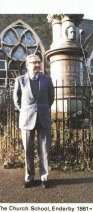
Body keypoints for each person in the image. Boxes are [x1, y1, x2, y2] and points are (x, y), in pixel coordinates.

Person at [13, 54, 54, 189]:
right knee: (28, 150)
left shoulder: (47, 79)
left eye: (38, 62)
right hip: (26, 119)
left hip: (43, 118)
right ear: (27, 65)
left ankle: (44, 177)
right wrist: (25, 110)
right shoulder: (20, 80)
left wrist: (42, 109)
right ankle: (29, 177)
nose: (37, 65)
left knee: (44, 150)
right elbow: (16, 100)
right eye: (34, 62)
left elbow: (51, 98)